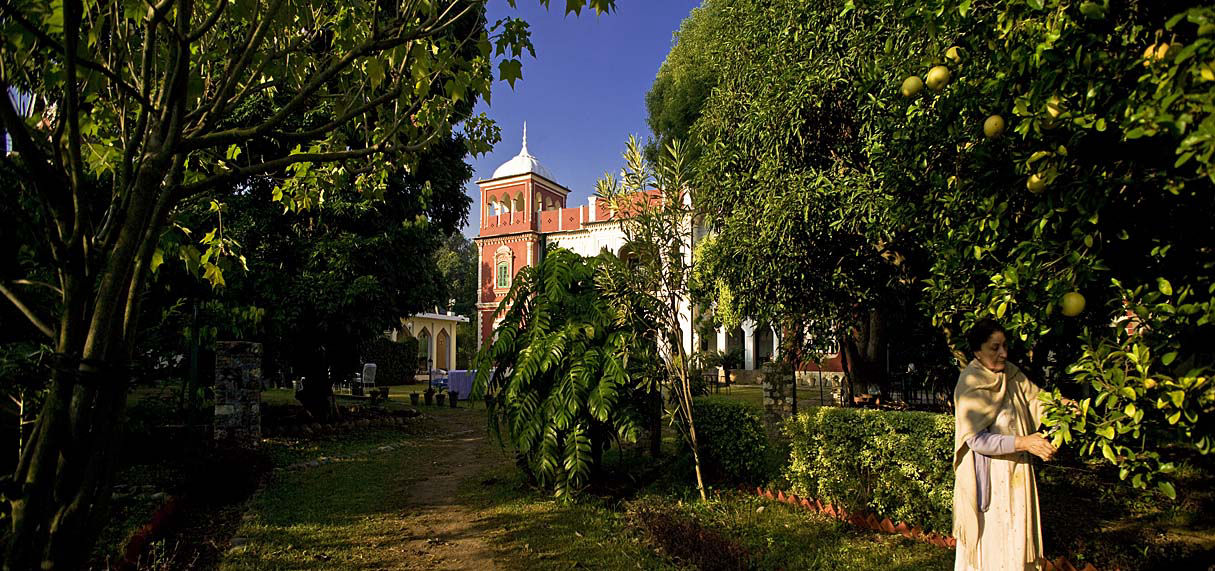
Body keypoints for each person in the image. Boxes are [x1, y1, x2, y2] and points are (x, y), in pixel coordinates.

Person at [953, 318, 1057, 571]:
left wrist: (1064, 408)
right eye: (995, 347)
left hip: (1017, 476)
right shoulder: (970, 383)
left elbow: (1038, 401)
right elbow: (976, 440)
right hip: (989, 482)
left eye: (1005, 346)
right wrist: (1024, 443)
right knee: (993, 546)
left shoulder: (1012, 374)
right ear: (977, 351)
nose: (1003, 353)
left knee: (1017, 541)